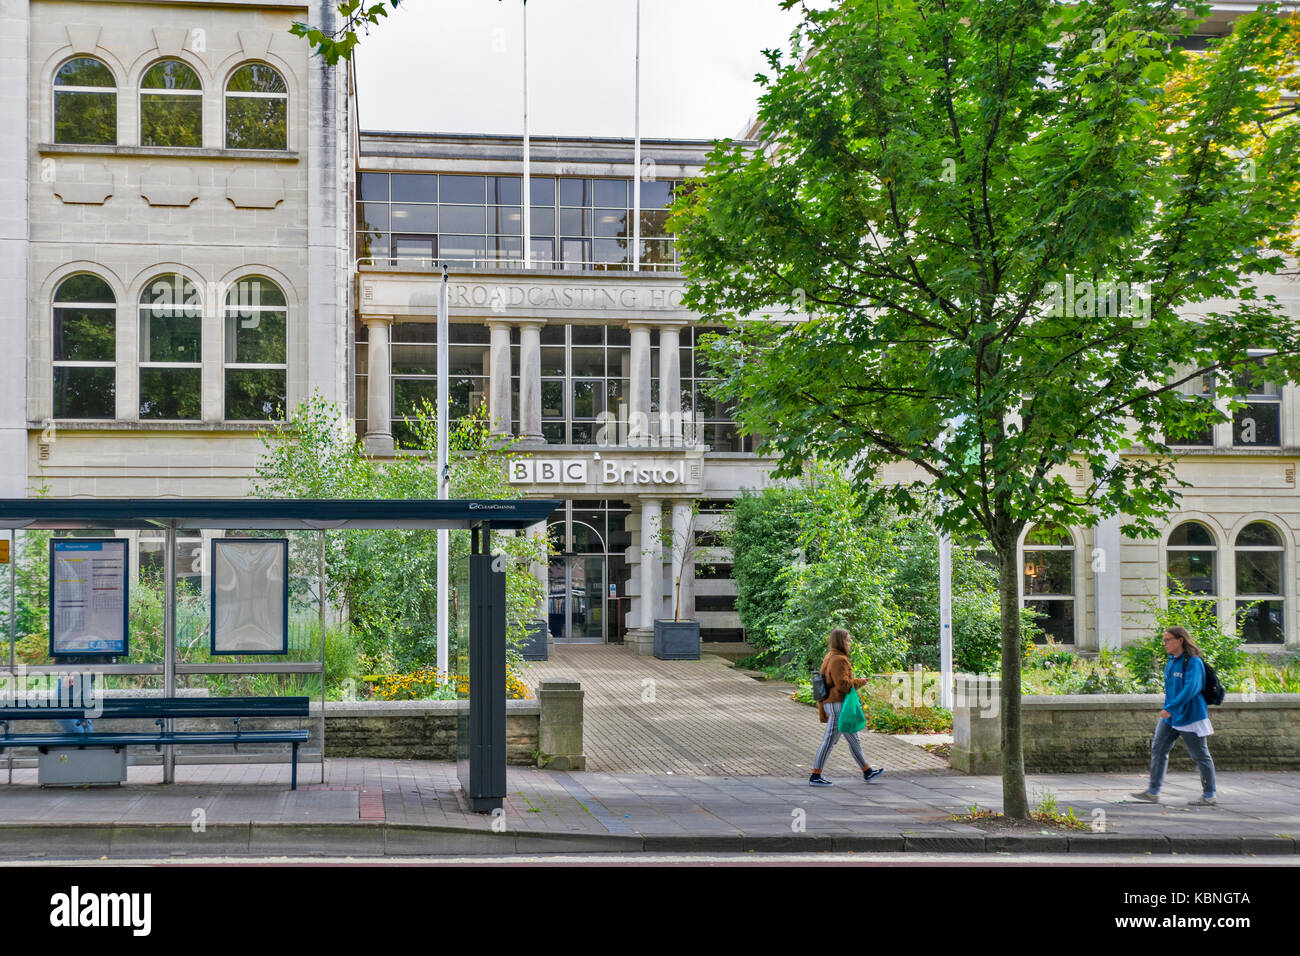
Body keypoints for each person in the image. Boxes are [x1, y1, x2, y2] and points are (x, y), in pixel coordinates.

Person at [1131, 626, 1217, 806]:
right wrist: (1169, 709)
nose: (1165, 644)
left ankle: (1209, 795)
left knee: (1200, 755)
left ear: (1180, 640)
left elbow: (1191, 689)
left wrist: (1171, 707)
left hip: (1190, 716)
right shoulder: (1171, 661)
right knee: (1158, 748)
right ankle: (1152, 792)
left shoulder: (1193, 662)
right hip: (1171, 717)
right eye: (1164, 640)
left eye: (1168, 640)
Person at [809, 628, 884, 787]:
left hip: (835, 704)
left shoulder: (830, 657)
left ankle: (867, 771)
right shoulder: (839, 660)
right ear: (840, 641)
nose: (850, 643)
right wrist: (860, 682)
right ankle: (815, 775)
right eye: (847, 640)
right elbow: (843, 685)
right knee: (829, 740)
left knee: (854, 739)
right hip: (837, 705)